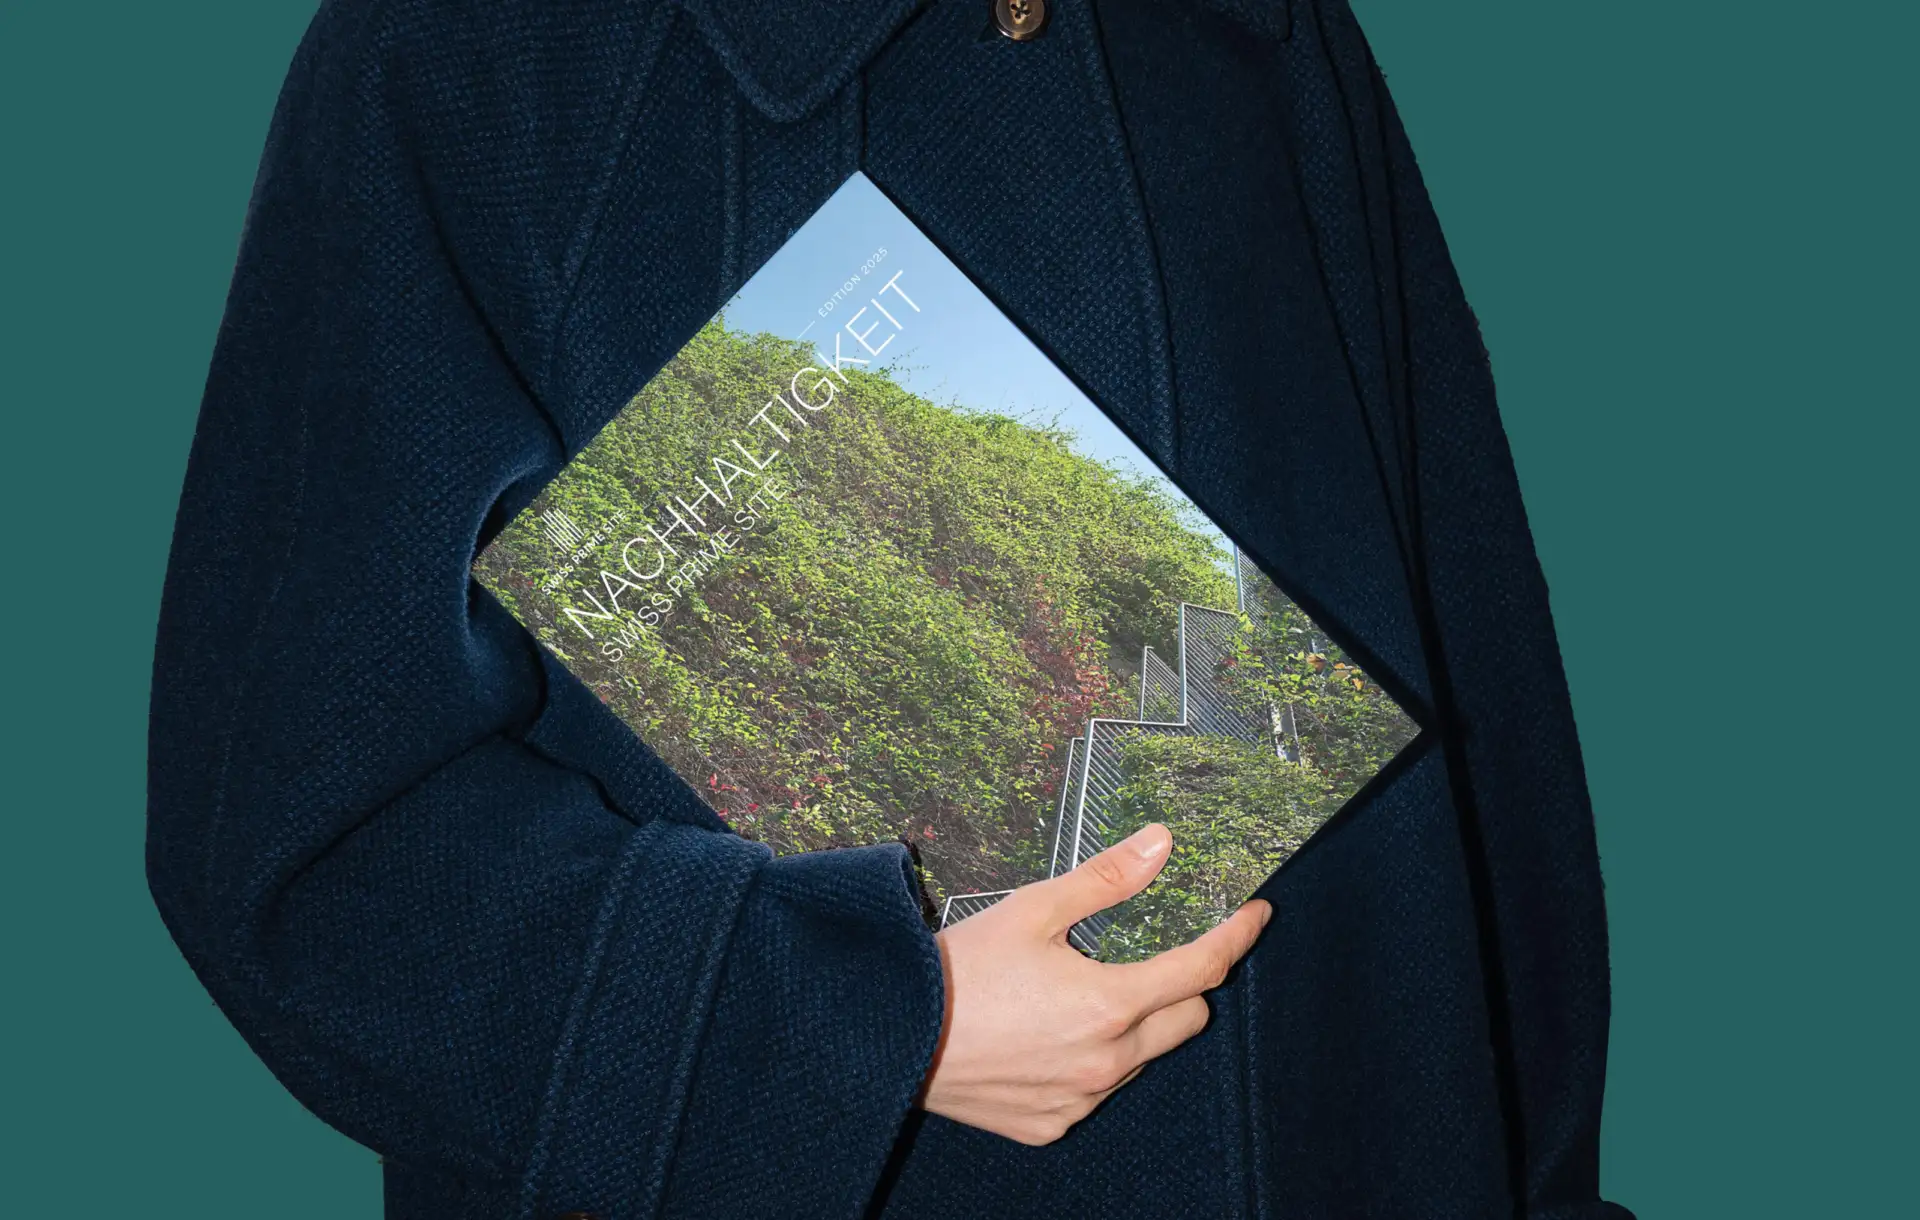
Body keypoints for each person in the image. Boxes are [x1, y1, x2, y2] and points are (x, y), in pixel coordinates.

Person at [147, 0, 1633, 1217]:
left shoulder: (1265, 40)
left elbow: (1475, 690)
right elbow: (300, 849)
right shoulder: (473, 57)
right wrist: (851, 1026)